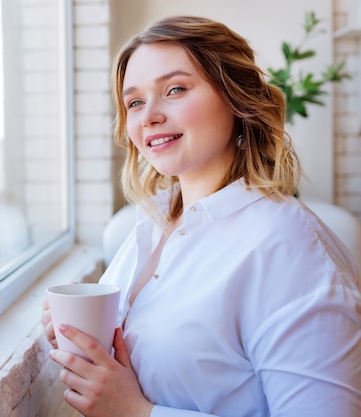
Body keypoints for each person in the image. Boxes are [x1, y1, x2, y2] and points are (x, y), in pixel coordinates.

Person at [41, 15, 361, 417]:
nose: (149, 116)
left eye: (175, 89)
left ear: (235, 97)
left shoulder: (288, 247)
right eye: (135, 102)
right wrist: (83, 339)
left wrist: (137, 413)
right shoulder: (149, 223)